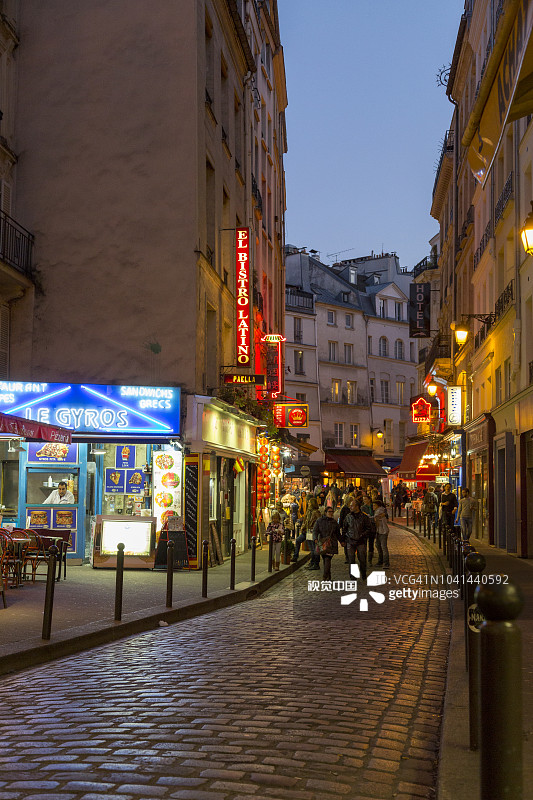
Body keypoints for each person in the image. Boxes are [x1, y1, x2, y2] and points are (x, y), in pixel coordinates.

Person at [343, 499, 374, 581]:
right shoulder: (348, 517)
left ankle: (363, 573)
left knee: (362, 559)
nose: (350, 507)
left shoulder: (364, 517)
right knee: (351, 559)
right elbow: (344, 528)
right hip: (350, 540)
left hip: (361, 541)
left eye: (352, 505)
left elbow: (369, 528)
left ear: (357, 507)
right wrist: (345, 539)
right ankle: (353, 576)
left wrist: (362, 535)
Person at [312, 506, 343, 581]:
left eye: (332, 512)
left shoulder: (334, 522)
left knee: (327, 559)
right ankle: (328, 576)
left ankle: (325, 576)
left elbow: (338, 533)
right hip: (322, 543)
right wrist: (315, 538)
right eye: (329, 512)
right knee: (325, 559)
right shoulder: (319, 521)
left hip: (331, 544)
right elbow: (315, 530)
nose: (331, 513)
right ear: (325, 512)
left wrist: (341, 541)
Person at [373, 499, 390, 569]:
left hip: (382, 531)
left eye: (374, 505)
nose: (373, 506)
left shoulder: (379, 511)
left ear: (378, 505)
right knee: (378, 545)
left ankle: (386, 562)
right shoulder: (380, 510)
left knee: (383, 547)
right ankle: (381, 561)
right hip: (379, 531)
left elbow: (376, 519)